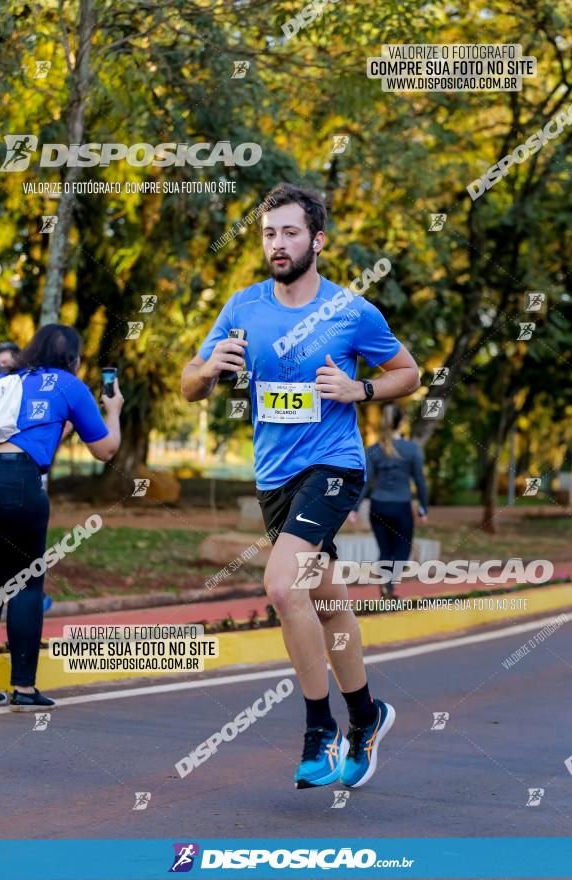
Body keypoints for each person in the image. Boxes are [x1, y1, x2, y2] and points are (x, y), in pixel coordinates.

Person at [181, 182, 420, 789]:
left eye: (289, 233)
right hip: (275, 478)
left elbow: (408, 372)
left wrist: (359, 390)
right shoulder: (243, 306)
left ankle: (322, 730)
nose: (277, 244)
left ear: (317, 240)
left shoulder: (350, 312)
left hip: (335, 466)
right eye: (268, 234)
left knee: (282, 586)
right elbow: (189, 384)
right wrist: (208, 369)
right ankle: (367, 716)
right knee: (326, 603)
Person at [0, 324, 123, 710]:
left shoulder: (6, 381)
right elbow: (104, 450)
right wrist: (113, 411)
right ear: (74, 358)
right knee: (25, 584)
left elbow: (28, 431)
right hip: (20, 484)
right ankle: (23, 688)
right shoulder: (69, 385)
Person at [350, 403, 428, 597]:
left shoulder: (374, 450)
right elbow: (420, 481)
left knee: (385, 550)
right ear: (401, 422)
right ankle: (390, 583)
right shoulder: (412, 449)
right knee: (402, 551)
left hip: (378, 507)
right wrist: (423, 508)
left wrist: (355, 508)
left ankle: (386, 585)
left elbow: (365, 482)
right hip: (401, 507)